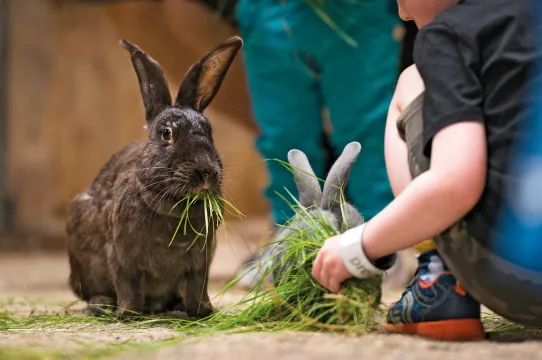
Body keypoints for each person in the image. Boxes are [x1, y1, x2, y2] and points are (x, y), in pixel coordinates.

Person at [311, 0, 540, 340]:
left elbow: (454, 183)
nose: (402, 12)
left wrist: (359, 246)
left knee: (412, 79)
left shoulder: (450, 34)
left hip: (518, 275)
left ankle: (437, 273)